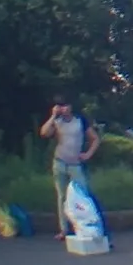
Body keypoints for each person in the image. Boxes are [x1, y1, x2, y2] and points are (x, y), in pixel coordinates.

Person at [39, 97, 96, 237]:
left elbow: (95, 138)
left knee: (83, 193)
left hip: (75, 163)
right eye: (60, 106)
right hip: (60, 162)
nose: (63, 109)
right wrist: (53, 116)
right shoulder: (57, 122)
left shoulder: (80, 121)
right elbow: (44, 133)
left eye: (65, 106)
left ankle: (84, 225)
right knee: (62, 196)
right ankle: (63, 229)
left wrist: (88, 154)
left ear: (71, 106)